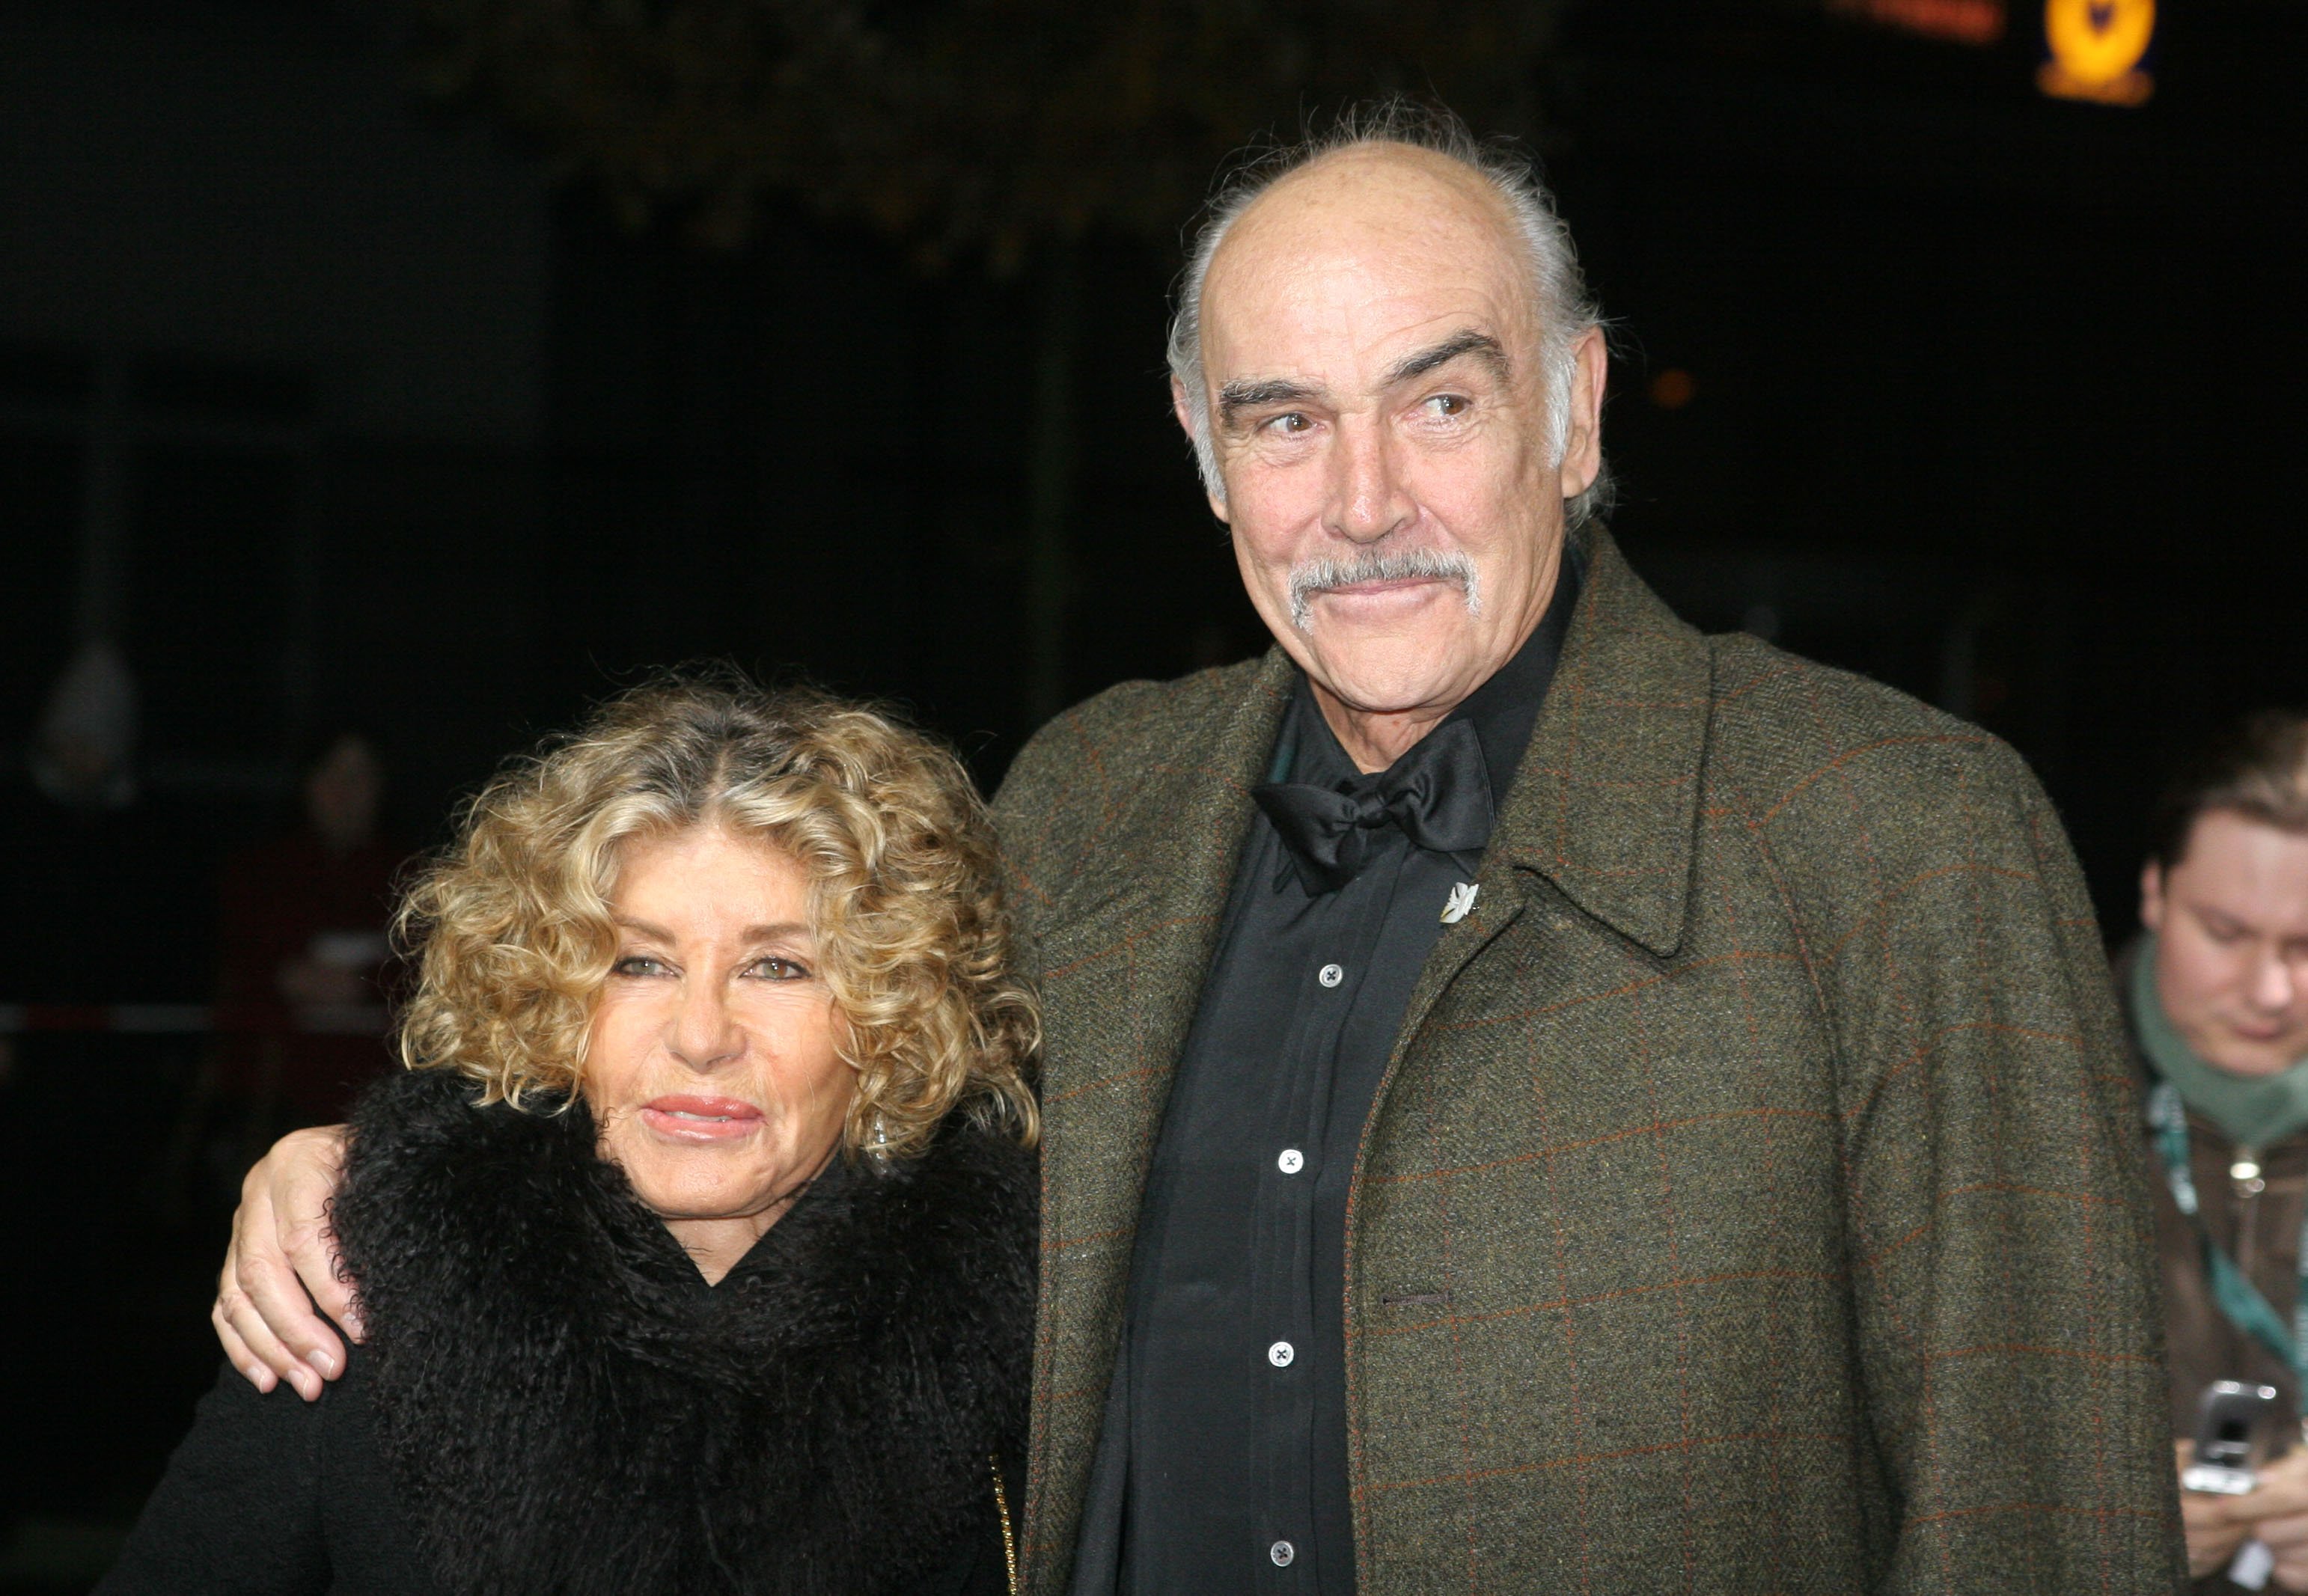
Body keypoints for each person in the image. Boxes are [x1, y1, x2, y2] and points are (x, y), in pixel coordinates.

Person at [215, 105, 2182, 1592]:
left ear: (1574, 410)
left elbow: (2042, 1506)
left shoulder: (1896, 841)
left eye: (1440, 398)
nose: (1362, 500)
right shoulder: (1079, 805)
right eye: (1282, 420)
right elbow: (770, 1120)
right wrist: (385, 1184)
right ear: (1194, 444)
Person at [108, 676, 1038, 1595]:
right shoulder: (358, 1293)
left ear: (896, 1008)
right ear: (548, 995)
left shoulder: (1030, 1337)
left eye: (778, 966)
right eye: (640, 962)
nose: (701, 1036)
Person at [2119, 712, 2308, 1592]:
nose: (2271, 992)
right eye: (2227, 934)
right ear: (2155, 891)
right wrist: (2085, 1519)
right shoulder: (2020, 1096)